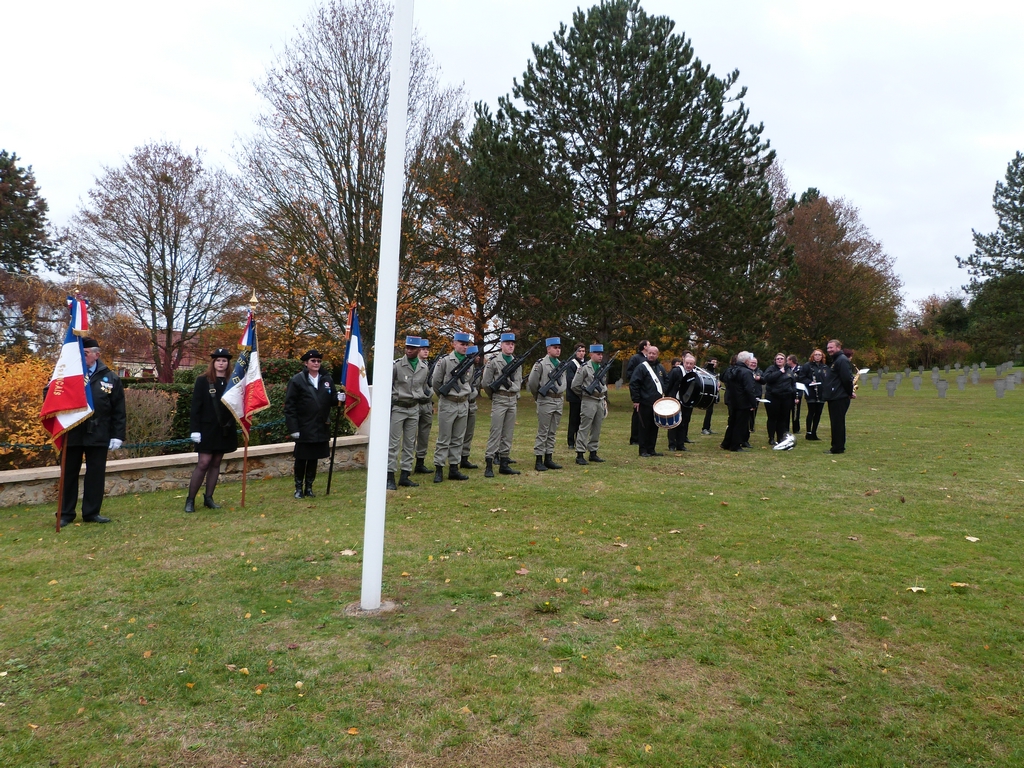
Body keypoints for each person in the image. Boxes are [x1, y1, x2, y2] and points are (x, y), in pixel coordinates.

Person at [56, 338, 126, 526]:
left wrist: (118, 435)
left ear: (97, 354)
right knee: (69, 474)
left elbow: (119, 410)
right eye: (80, 352)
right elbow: (51, 397)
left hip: (99, 432)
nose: (82, 356)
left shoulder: (110, 378)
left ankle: (91, 512)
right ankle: (65, 513)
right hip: (73, 431)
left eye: (86, 353)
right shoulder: (67, 374)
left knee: (95, 475)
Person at [185, 348, 238, 513]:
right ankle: (190, 500)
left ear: (228, 363)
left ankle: (209, 498)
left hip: (225, 428)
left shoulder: (233, 381)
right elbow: (196, 407)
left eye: (224, 361)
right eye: (218, 360)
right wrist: (195, 430)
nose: (221, 363)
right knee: (203, 463)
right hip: (206, 428)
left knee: (216, 463)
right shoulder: (203, 380)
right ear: (213, 362)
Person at [284, 349, 341, 498]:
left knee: (314, 458)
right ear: (306, 363)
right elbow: (290, 407)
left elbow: (332, 399)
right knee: (302, 458)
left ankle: (309, 487)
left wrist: (339, 397)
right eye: (313, 361)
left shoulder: (326, 379)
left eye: (318, 361)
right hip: (304, 426)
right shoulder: (297, 380)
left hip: (320, 426)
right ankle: (298, 488)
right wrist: (293, 428)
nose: (316, 363)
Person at [431, 333, 474, 482]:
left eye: (466, 344)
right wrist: (445, 395)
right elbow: (436, 382)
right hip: (448, 402)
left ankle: (454, 468)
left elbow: (470, 381)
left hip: (463, 403)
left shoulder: (470, 362)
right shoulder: (445, 361)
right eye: (461, 344)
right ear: (454, 344)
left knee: (458, 438)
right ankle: (439, 468)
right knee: (444, 438)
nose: (464, 347)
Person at [387, 336, 427, 491]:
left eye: (412, 348)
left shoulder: (423, 368)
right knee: (393, 443)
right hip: (399, 407)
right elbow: (388, 385)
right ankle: (390, 475)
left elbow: (422, 387)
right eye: (407, 347)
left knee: (410, 443)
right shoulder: (397, 366)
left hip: (414, 408)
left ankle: (405, 475)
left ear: (418, 349)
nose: (409, 350)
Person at [481, 332, 522, 478]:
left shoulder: (516, 361)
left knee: (508, 433)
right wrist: (493, 395)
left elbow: (519, 382)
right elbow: (486, 383)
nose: (510, 346)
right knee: (495, 432)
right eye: (507, 344)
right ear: (501, 345)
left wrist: (512, 388)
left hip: (512, 400)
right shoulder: (493, 361)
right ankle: (489, 464)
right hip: (500, 398)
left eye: (512, 344)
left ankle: (504, 463)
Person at [527, 337, 567, 471]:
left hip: (558, 400)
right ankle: (539, 459)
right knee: (543, 431)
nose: (558, 350)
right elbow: (532, 383)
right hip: (546, 399)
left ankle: (549, 457)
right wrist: (538, 396)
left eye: (559, 347)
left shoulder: (560, 364)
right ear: (548, 349)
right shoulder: (541, 364)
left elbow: (564, 382)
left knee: (552, 431)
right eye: (555, 347)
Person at [571, 344, 609, 464]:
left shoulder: (602, 367)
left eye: (601, 354)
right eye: (598, 354)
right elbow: (575, 385)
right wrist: (584, 395)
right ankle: (580, 453)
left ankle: (593, 452)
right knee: (584, 427)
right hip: (589, 400)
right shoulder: (584, 367)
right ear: (591, 354)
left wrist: (604, 400)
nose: (600, 356)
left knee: (597, 427)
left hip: (599, 400)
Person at [629, 344, 667, 457]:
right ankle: (643, 450)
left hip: (657, 403)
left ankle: (651, 449)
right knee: (644, 426)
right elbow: (634, 383)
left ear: (657, 355)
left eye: (654, 353)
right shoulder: (641, 367)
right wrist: (636, 400)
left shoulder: (660, 368)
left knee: (654, 426)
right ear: (647, 354)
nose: (651, 355)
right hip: (645, 402)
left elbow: (666, 380)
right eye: (649, 353)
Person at [823, 339, 855, 454]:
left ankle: (838, 448)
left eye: (831, 347)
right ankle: (836, 446)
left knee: (838, 422)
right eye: (828, 348)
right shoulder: (836, 360)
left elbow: (847, 379)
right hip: (834, 396)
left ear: (838, 347)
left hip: (839, 397)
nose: (829, 350)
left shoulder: (842, 360)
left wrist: (849, 392)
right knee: (836, 422)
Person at [721, 352, 757, 452]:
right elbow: (749, 389)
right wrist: (753, 403)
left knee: (732, 422)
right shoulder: (746, 372)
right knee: (740, 424)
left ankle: (726, 443)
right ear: (746, 361)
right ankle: (735, 445)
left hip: (732, 400)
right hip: (743, 401)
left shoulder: (731, 370)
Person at [762, 352, 797, 446]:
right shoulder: (771, 369)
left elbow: (793, 383)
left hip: (786, 398)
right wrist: (779, 372)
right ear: (775, 360)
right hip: (773, 397)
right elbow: (767, 379)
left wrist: (794, 395)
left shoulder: (789, 370)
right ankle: (771, 438)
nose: (779, 360)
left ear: (785, 361)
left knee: (783, 419)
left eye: (781, 358)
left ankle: (780, 437)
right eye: (778, 359)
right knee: (772, 418)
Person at [459, 345, 485, 470]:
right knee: (459, 433)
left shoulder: (475, 369)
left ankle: (465, 457)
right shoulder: (465, 368)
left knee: (469, 432)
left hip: (472, 404)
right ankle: (456, 458)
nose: (478, 357)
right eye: (476, 355)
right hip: (463, 402)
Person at [412, 338, 435, 474]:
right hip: (415, 403)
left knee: (424, 434)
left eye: (427, 349)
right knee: (410, 436)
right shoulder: (413, 365)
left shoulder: (429, 365)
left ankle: (420, 462)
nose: (425, 351)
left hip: (426, 404)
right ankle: (407, 464)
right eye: (422, 349)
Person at [666, 353, 697, 450]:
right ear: (683, 362)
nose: (688, 365)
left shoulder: (695, 374)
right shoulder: (676, 371)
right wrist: (668, 398)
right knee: (673, 423)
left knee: (684, 423)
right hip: (675, 400)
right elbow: (668, 385)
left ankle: (681, 444)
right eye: (687, 363)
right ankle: (672, 445)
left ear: (694, 364)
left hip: (687, 402)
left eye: (691, 364)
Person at [624, 340, 649, 445]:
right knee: (637, 414)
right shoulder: (635, 358)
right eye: (649, 344)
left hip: (647, 391)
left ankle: (643, 437)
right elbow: (629, 373)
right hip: (638, 390)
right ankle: (634, 438)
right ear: (644, 346)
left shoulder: (648, 359)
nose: (650, 346)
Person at [801, 348, 828, 441]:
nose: (817, 356)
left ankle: (814, 432)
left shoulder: (824, 367)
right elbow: (801, 377)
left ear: (822, 356)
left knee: (818, 413)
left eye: (819, 355)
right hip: (811, 393)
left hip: (821, 393)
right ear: (813, 356)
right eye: (816, 355)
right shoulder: (807, 366)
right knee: (811, 412)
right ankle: (808, 432)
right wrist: (809, 382)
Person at [565, 343, 586, 450]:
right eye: (579, 351)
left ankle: (580, 439)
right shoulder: (571, 364)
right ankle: (570, 441)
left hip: (583, 396)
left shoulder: (585, 364)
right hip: (574, 396)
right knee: (573, 419)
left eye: (583, 351)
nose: (581, 353)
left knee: (582, 420)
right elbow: (570, 380)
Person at [700, 357, 719, 435]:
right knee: (709, 411)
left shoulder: (714, 372)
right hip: (708, 393)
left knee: (710, 411)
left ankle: (707, 427)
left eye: (716, 362)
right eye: (713, 362)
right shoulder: (704, 371)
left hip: (714, 393)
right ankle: (704, 428)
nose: (715, 363)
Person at [787, 354, 803, 434]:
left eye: (788, 360)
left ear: (791, 361)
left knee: (796, 411)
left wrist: (799, 396)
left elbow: (801, 382)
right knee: (786, 411)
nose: (786, 362)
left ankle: (796, 428)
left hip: (797, 392)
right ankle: (786, 428)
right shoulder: (787, 369)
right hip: (788, 392)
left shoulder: (800, 369)